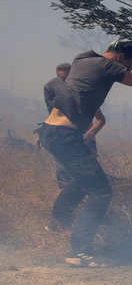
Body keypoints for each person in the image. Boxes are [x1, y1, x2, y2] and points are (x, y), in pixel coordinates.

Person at [37, 31, 132, 267]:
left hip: (49, 131)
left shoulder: (83, 60)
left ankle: (58, 223)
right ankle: (79, 252)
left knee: (82, 180)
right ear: (117, 57)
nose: (127, 69)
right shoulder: (109, 66)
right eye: (126, 65)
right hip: (66, 136)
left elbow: (129, 58)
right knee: (101, 191)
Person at [37, 63, 106, 191]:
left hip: (82, 138)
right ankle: (67, 199)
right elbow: (53, 117)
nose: (62, 82)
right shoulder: (57, 95)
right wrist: (43, 131)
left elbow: (100, 119)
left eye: (66, 78)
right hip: (62, 138)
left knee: (89, 173)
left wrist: (88, 136)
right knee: (63, 169)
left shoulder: (83, 93)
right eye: (60, 79)